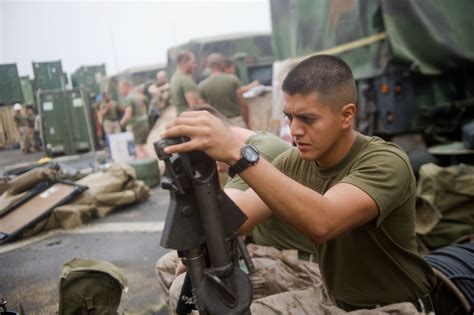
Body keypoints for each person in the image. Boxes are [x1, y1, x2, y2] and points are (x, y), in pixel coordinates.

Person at [161, 54, 437, 313]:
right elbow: (238, 219)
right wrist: (199, 171)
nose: (294, 130)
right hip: (332, 298)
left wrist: (237, 152)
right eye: (289, 117)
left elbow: (324, 222)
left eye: (307, 118)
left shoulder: (385, 161)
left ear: (346, 115)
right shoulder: (295, 161)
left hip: (393, 306)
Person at [156, 105, 322, 312]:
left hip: (300, 264)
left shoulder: (261, 151)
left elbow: (223, 223)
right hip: (267, 252)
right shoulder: (252, 146)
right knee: (166, 265)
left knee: (188, 289)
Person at [198, 53, 250, 128]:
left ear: (208, 65)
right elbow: (243, 103)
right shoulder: (232, 79)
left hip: (218, 124)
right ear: (222, 64)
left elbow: (203, 110)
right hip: (236, 121)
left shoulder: (202, 86)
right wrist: (247, 123)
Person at [119, 80, 150, 159]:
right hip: (145, 122)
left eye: (121, 88)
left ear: (126, 87)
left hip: (137, 125)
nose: (120, 91)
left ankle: (144, 169)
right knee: (142, 147)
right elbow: (147, 107)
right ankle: (150, 161)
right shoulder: (141, 96)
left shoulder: (128, 98)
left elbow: (128, 114)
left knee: (138, 149)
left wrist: (122, 122)